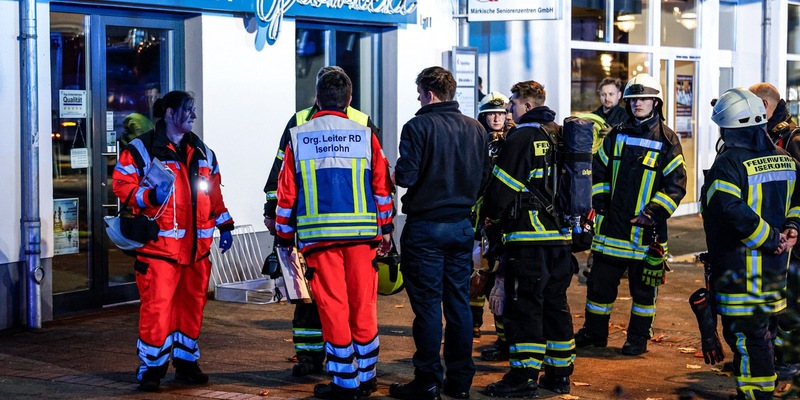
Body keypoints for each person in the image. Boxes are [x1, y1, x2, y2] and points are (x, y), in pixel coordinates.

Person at [275, 68, 393, 400]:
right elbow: (382, 187)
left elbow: (286, 194)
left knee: (333, 307)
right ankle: (366, 376)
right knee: (363, 305)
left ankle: (344, 382)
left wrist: (284, 237)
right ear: (349, 99)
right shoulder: (364, 134)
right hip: (363, 238)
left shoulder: (299, 136)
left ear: (317, 98)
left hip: (320, 240)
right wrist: (386, 229)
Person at [112, 90, 235, 392]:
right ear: (169, 113)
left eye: (193, 110)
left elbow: (213, 192)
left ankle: (186, 364)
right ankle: (151, 369)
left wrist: (225, 224)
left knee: (192, 307)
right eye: (188, 110)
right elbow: (122, 185)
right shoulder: (141, 150)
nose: (194, 115)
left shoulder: (204, 152)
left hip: (196, 251)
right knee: (157, 309)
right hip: (159, 251)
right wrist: (149, 196)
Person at [390, 66, 490, 400]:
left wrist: (391, 173)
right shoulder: (476, 129)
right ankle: (460, 381)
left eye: (420, 94)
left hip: (425, 229)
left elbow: (406, 176)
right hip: (461, 227)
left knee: (428, 307)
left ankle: (428, 380)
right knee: (459, 304)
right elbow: (485, 178)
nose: (419, 99)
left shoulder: (417, 126)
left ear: (430, 94)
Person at [574, 73, 687, 356]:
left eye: (644, 98)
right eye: (634, 99)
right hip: (611, 229)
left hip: (646, 232)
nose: (638, 103)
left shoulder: (667, 140)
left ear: (656, 102)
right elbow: (598, 171)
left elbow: (676, 185)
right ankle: (595, 333)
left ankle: (637, 338)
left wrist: (653, 212)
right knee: (599, 287)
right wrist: (600, 205)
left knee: (644, 292)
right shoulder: (616, 134)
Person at [701, 87, 800, 400]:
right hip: (776, 274)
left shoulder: (727, 165)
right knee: (763, 337)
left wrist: (770, 239)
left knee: (748, 342)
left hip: (741, 276)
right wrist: (792, 229)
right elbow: (797, 201)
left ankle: (756, 395)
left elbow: (729, 211)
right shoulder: (786, 160)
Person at [480, 81, 576, 397]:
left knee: (524, 307)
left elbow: (501, 188)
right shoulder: (560, 134)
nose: (509, 110)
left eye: (512, 104)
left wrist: (489, 217)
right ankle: (559, 375)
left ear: (527, 105)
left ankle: (523, 376)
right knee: (555, 305)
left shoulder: (522, 136)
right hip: (560, 239)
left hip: (528, 238)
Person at [750, 82, 800, 380]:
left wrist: (794, 226)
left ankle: (790, 358)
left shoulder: (792, 138)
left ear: (765, 105)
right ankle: (768, 357)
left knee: (790, 301)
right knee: (772, 299)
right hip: (772, 236)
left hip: (792, 237)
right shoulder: (765, 134)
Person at [471, 92, 510, 361]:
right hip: (476, 219)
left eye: (500, 113)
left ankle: (503, 338)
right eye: (491, 114)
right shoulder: (476, 141)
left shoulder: (513, 141)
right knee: (476, 274)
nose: (496, 118)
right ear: (483, 116)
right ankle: (473, 324)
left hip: (501, 221)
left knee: (499, 282)